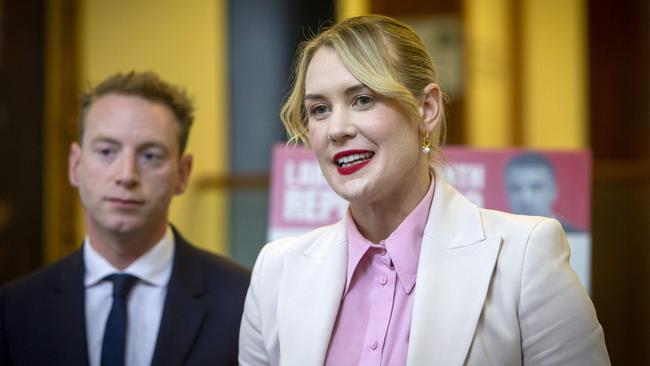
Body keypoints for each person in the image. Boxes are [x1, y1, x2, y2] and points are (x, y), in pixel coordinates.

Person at [239, 15, 609, 365]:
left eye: (362, 99)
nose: (337, 128)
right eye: (319, 109)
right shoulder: (276, 270)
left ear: (427, 109)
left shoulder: (525, 257)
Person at [0, 71, 250, 366]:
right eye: (107, 151)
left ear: (182, 174)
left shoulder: (242, 300)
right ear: (75, 165)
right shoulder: (15, 308)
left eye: (150, 156)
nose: (126, 175)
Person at [505, 152, 581, 232]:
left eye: (536, 187)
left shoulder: (578, 236)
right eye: (516, 188)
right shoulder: (496, 236)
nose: (526, 198)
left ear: (553, 191)